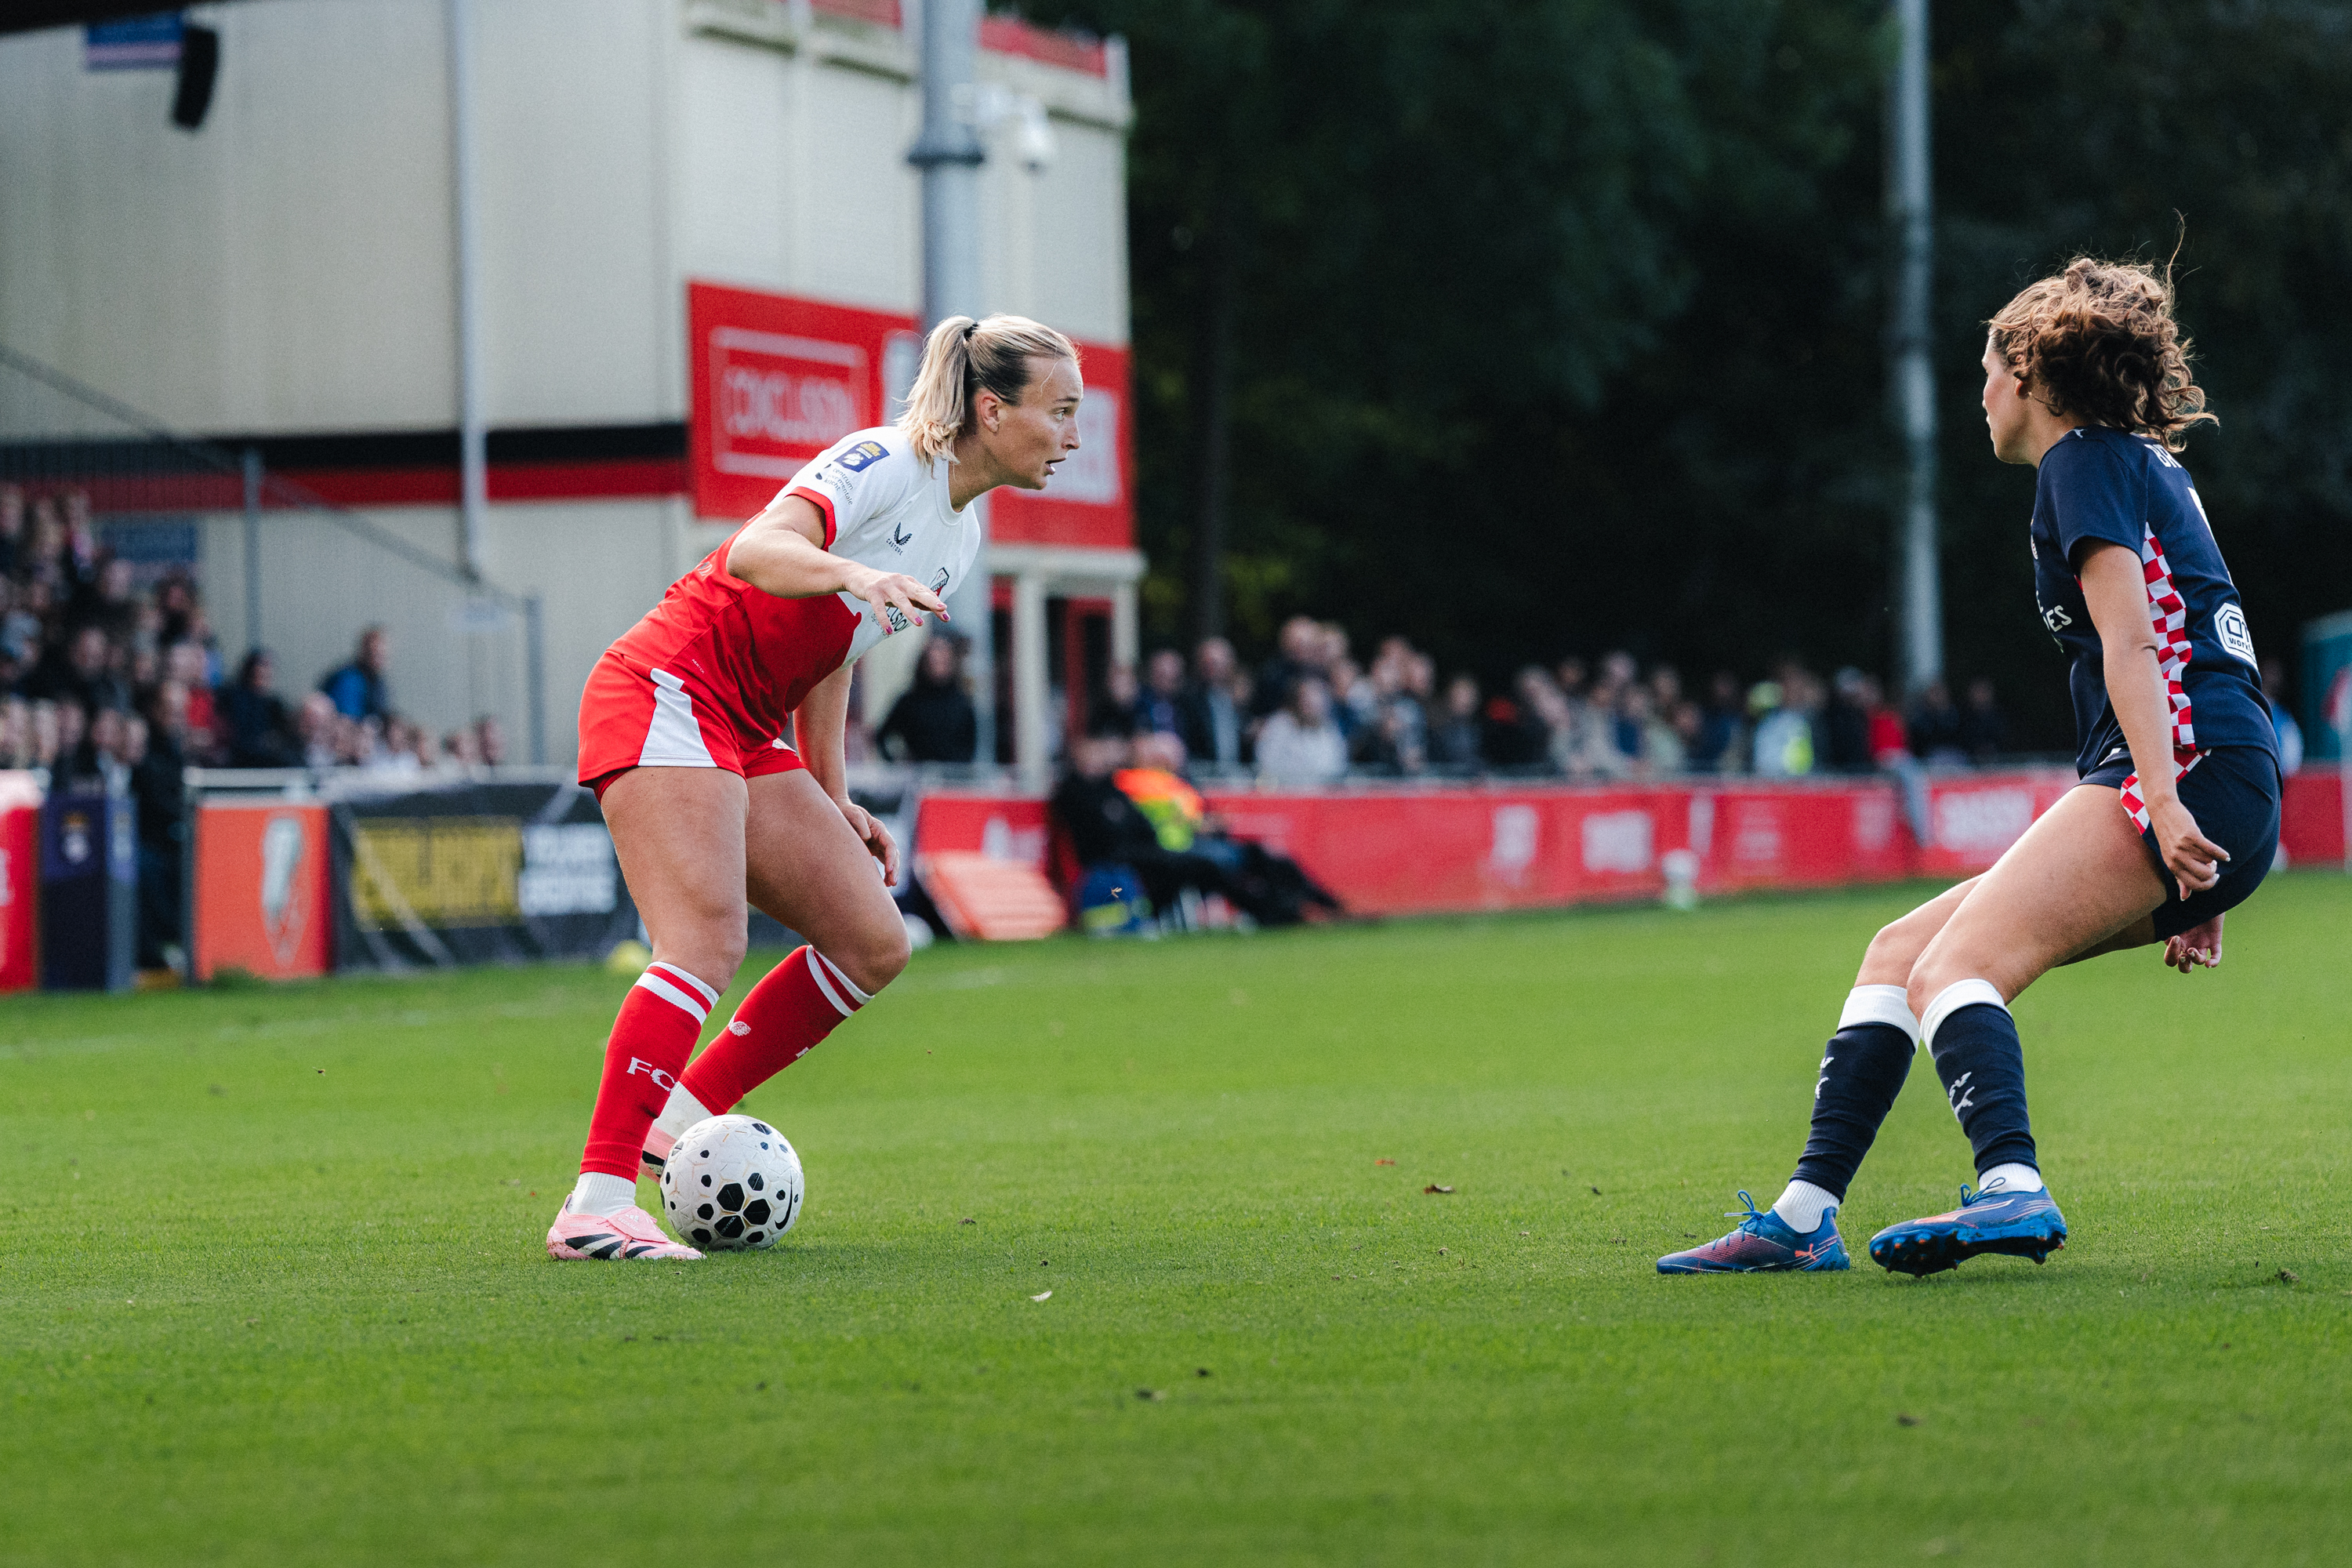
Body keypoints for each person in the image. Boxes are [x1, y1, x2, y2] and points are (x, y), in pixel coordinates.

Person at [1660, 255, 2280, 1277]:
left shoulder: (2081, 460)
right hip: (2220, 773)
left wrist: (2169, 803)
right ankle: (1804, 1215)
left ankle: (2010, 1188)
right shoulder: (2139, 464)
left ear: (2031, 375)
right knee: (1901, 952)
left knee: (1957, 968)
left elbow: (2134, 645)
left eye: (1988, 369)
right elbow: (2202, 636)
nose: (1980, 393)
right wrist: (2203, 847)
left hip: (2185, 773)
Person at [550, 312, 1083, 1261]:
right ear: (993, 410)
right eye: (1061, 410)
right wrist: (855, 569)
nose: (1073, 435)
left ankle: (683, 1109)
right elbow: (758, 551)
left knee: (875, 939)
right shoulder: (884, 457)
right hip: (670, 687)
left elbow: (836, 650)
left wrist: (831, 794)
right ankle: (595, 1202)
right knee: (706, 941)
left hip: (745, 724)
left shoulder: (958, 539)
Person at [873, 636, 978, 764]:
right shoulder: (909, 702)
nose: (937, 667)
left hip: (953, 778)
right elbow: (881, 736)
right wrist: (895, 763)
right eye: (933, 662)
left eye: (942, 662)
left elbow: (970, 746)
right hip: (918, 778)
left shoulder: (962, 703)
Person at [1254, 675, 1348, 786]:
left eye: (1317, 700)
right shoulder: (1279, 725)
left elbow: (1337, 767)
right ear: (1297, 700)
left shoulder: (1329, 730)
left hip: (1321, 797)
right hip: (1286, 795)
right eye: (1307, 699)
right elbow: (1266, 765)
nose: (1312, 705)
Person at [219, 649, 299, 767]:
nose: (266, 672)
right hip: (239, 758)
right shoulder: (232, 698)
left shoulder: (274, 705)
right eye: (262, 666)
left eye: (269, 667)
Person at [1177, 637, 1247, 772]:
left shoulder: (1242, 699)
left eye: (1217, 663)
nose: (1212, 669)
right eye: (1207, 663)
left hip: (1237, 776)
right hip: (1202, 775)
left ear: (1230, 664)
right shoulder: (1188, 700)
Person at [318, 625, 394, 724]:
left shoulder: (377, 682)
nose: (380, 659)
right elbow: (347, 721)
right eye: (375, 654)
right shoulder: (348, 680)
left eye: (382, 654)